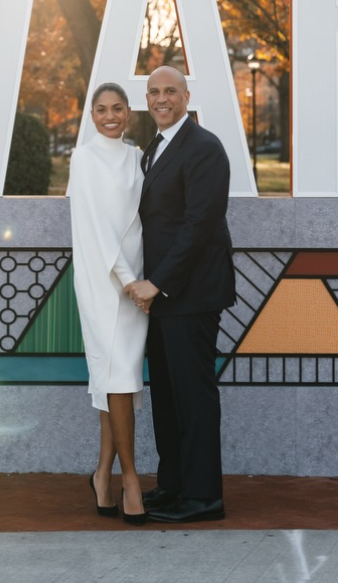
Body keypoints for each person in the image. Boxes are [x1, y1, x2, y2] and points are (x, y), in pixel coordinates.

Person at [124, 65, 233, 524]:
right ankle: (173, 487)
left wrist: (157, 282)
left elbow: (199, 227)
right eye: (154, 92)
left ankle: (204, 497)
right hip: (164, 297)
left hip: (191, 293)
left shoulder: (204, 148)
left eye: (170, 91)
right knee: (168, 397)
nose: (161, 99)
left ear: (187, 96)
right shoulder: (155, 147)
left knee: (193, 397)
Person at [67, 82, 150, 526]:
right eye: (101, 110)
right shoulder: (83, 158)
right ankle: (131, 479)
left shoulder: (137, 156)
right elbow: (98, 229)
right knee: (119, 376)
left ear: (129, 113)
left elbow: (137, 221)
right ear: (91, 115)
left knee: (116, 379)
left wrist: (142, 281)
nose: (110, 116)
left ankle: (102, 475)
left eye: (118, 108)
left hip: (137, 281)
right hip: (105, 283)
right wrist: (129, 282)